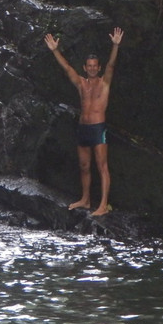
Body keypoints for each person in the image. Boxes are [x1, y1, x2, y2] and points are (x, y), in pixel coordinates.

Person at [44, 27, 123, 216]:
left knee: (102, 165)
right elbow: (67, 68)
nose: (93, 68)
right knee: (84, 166)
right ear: (85, 68)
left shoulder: (104, 83)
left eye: (95, 65)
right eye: (90, 66)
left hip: (98, 128)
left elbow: (111, 65)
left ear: (99, 67)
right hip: (83, 128)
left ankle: (103, 205)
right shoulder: (81, 83)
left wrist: (115, 46)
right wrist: (55, 50)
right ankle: (86, 199)